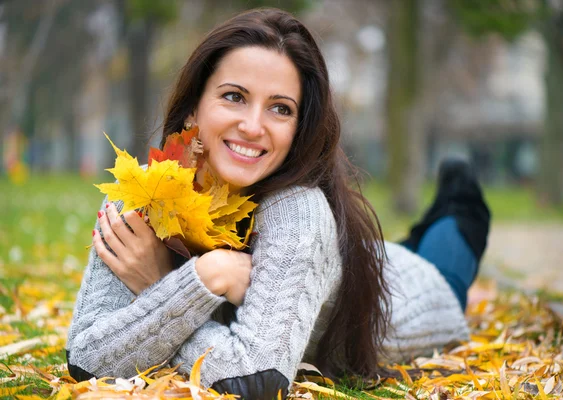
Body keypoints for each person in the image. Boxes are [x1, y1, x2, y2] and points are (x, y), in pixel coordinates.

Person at [66, 8, 490, 399]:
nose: (252, 126)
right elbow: (86, 358)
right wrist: (202, 282)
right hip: (348, 259)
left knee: (450, 238)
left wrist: (163, 284)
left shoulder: (299, 211)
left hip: (409, 296)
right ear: (194, 107)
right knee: (410, 241)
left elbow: (254, 380)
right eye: (234, 96)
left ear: (298, 129)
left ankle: (460, 194)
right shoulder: (148, 194)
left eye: (280, 109)